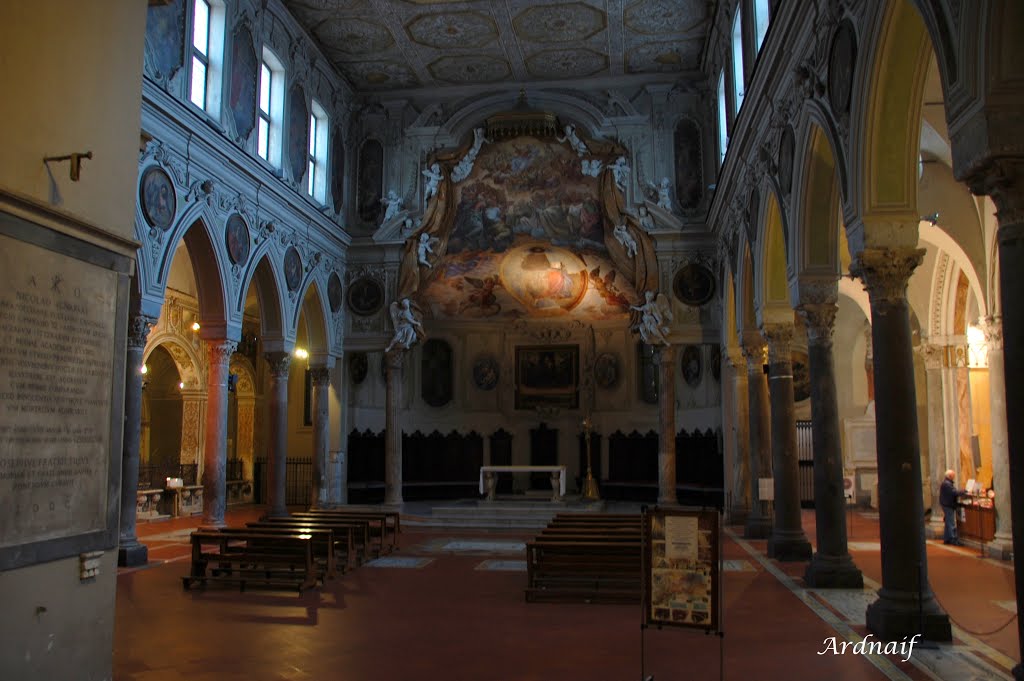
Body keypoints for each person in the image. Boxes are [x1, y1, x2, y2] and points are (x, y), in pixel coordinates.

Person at [939, 469, 967, 545]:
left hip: (946, 504)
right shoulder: (947, 484)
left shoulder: (946, 483)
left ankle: (946, 539)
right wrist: (963, 491)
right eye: (953, 475)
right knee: (951, 523)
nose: (954, 476)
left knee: (948, 522)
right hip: (948, 505)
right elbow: (954, 492)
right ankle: (954, 539)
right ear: (950, 476)